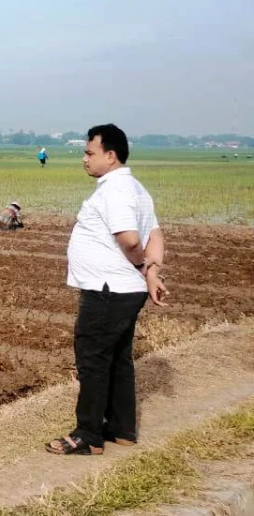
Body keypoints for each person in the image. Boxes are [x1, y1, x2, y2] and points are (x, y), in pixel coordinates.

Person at [47, 123, 168, 456]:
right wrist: (152, 272)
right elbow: (155, 233)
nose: (84, 159)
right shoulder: (136, 188)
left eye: (89, 153)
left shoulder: (114, 190)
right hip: (122, 289)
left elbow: (131, 239)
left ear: (110, 156)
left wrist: (142, 266)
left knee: (93, 359)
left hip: (107, 291)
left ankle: (87, 435)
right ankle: (121, 429)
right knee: (117, 358)